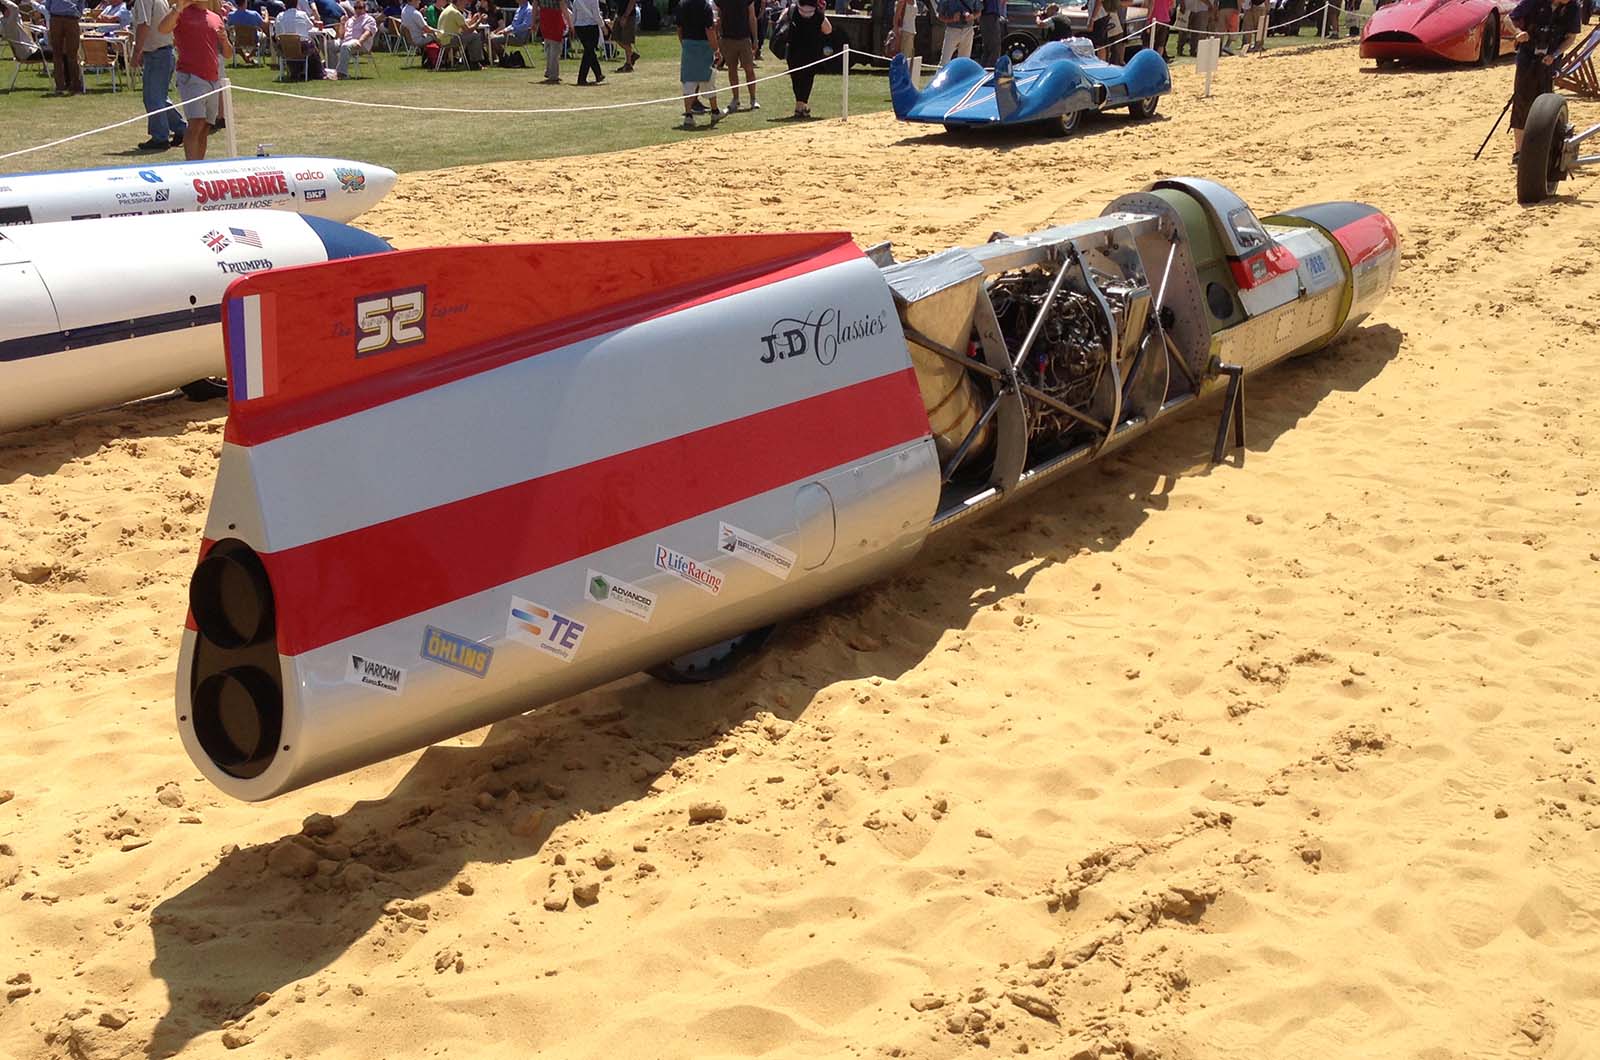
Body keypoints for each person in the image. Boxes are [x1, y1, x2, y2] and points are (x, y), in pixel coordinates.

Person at [1509, 0, 1581, 162]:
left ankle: (1543, 149)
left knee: (1546, 104)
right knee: (1522, 102)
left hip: (1550, 60)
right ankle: (1519, 152)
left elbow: (1571, 37)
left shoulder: (1573, 7)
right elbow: (1509, 19)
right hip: (1527, 57)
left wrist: (1554, 55)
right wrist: (1517, 33)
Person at [159, 0, 232, 158]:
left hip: (213, 78)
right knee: (196, 122)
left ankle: (199, 164)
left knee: (206, 125)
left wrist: (225, 40)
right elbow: (162, 29)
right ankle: (191, 165)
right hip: (191, 76)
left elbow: (227, 54)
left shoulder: (215, 18)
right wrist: (177, 9)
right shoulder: (182, 13)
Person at [131, 0, 187, 148]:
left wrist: (136, 51)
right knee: (159, 97)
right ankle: (181, 129)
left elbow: (144, 25)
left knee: (152, 98)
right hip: (163, 52)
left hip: (157, 54)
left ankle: (160, 137)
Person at [677, 0, 719, 124]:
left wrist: (684, 44)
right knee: (708, 79)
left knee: (688, 81)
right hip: (704, 47)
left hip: (688, 45)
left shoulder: (682, 5)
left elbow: (679, 28)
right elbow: (709, 30)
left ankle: (688, 115)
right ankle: (715, 112)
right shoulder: (705, 6)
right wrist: (716, 49)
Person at [784, 0, 827, 115]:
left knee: (796, 79)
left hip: (793, 51)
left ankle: (800, 106)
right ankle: (801, 107)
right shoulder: (818, 14)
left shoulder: (792, 10)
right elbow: (828, 30)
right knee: (807, 79)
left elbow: (780, 22)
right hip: (811, 52)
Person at [716, 0, 756, 108]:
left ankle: (753, 99)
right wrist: (719, 37)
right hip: (727, 38)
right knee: (732, 69)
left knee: (749, 69)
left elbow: (752, 17)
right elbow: (719, 16)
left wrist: (755, 39)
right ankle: (735, 99)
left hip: (744, 38)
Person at [273, 0, 324, 76]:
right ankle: (318, 71)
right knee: (312, 44)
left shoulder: (279, 16)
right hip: (301, 47)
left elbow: (277, 33)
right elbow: (310, 26)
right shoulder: (302, 14)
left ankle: (297, 70)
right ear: (296, 4)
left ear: (285, 5)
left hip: (285, 48)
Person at [45, 0, 84, 94]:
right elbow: (81, 5)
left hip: (59, 18)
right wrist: (77, 13)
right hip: (68, 19)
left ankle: (63, 86)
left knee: (60, 54)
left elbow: (47, 5)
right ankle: (72, 85)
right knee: (69, 54)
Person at [434, 0, 484, 65]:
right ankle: (475, 62)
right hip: (450, 39)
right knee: (475, 36)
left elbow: (464, 27)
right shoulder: (455, 13)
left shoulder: (449, 9)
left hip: (442, 39)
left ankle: (471, 61)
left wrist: (473, 20)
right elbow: (468, 30)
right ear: (459, 1)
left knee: (472, 35)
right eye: (464, 1)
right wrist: (479, 21)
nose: (466, 3)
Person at [330, 0, 372, 74]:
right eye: (355, 8)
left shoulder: (369, 19)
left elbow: (368, 32)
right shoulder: (350, 20)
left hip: (360, 43)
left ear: (365, 9)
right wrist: (342, 24)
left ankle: (342, 73)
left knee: (345, 46)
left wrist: (360, 41)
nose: (358, 10)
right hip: (345, 41)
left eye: (360, 8)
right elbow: (341, 36)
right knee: (329, 45)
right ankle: (332, 71)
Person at [568, 0, 601, 81]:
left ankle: (598, 74)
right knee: (589, 51)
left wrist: (572, 27)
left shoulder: (576, 1)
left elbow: (574, 16)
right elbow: (596, 15)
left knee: (589, 51)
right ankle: (582, 78)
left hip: (579, 27)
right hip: (592, 26)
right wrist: (603, 26)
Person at [934, 0, 974, 66]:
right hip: (952, 30)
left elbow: (979, 12)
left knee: (965, 61)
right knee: (944, 61)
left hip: (968, 30)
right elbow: (939, 15)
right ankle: (942, 72)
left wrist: (971, 16)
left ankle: (961, 73)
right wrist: (952, 19)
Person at [399, 0, 439, 65]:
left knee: (432, 35)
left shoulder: (404, 10)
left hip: (410, 39)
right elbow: (427, 29)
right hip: (418, 40)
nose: (420, 2)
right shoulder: (415, 13)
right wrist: (438, 31)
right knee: (437, 36)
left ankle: (429, 59)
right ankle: (441, 60)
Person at [536, 0, 564, 80]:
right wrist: (570, 23)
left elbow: (534, 6)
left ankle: (548, 71)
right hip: (555, 20)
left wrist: (533, 21)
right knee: (555, 49)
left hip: (544, 19)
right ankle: (553, 74)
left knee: (548, 47)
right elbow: (563, 7)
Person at [609, 0, 635, 69]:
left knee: (626, 40)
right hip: (619, 15)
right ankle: (632, 54)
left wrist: (625, 16)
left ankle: (628, 64)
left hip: (629, 16)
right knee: (615, 37)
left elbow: (632, 2)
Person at [978, 0, 1000, 64]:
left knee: (988, 48)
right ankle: (990, 67)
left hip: (989, 15)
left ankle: (985, 66)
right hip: (988, 15)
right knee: (994, 48)